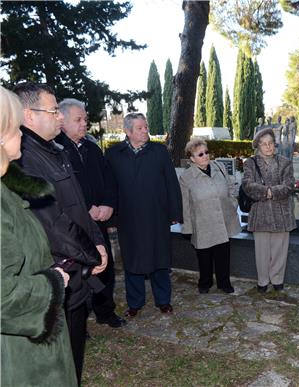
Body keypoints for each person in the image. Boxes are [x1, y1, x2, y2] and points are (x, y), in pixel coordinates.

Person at [13, 82, 107, 384]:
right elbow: (53, 222)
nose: (59, 118)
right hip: (57, 274)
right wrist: (91, 254)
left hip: (77, 271)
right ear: (29, 115)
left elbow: (78, 203)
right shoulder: (24, 158)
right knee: (57, 368)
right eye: (53, 111)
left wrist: (96, 240)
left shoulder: (56, 150)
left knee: (73, 357)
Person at [0, 86, 77, 386]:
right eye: (15, 127)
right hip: (19, 362)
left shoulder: (9, 187)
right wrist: (53, 283)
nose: (22, 133)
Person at [55, 98, 126, 329]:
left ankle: (105, 311)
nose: (84, 123)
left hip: (100, 222)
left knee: (104, 267)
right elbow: (61, 191)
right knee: (78, 272)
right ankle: (79, 321)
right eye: (79, 119)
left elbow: (110, 180)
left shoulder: (92, 148)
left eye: (85, 119)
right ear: (62, 121)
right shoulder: (56, 151)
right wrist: (86, 209)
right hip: (74, 224)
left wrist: (107, 205)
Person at [105, 113, 182, 317]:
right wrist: (111, 219)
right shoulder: (114, 154)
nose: (145, 131)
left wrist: (175, 212)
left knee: (160, 259)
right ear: (128, 131)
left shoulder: (159, 151)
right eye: (140, 128)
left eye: (145, 127)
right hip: (128, 219)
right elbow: (109, 188)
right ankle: (135, 303)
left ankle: (163, 300)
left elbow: (171, 183)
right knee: (133, 262)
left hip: (157, 216)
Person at [179, 138, 241, 294]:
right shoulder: (186, 177)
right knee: (204, 255)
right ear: (192, 158)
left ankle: (224, 282)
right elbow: (185, 204)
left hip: (223, 219)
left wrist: (233, 203)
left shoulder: (219, 167)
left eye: (206, 152)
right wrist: (187, 228)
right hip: (202, 222)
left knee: (223, 253)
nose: (205, 156)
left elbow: (230, 186)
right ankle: (205, 282)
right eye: (200, 154)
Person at [242, 128, 296, 293]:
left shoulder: (285, 162)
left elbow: (289, 185)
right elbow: (247, 184)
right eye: (264, 144)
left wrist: (272, 191)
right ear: (258, 146)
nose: (268, 147)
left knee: (280, 249)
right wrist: (268, 192)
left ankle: (277, 279)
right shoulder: (250, 163)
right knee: (262, 251)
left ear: (275, 144)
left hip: (281, 212)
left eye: (270, 143)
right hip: (260, 212)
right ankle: (263, 281)